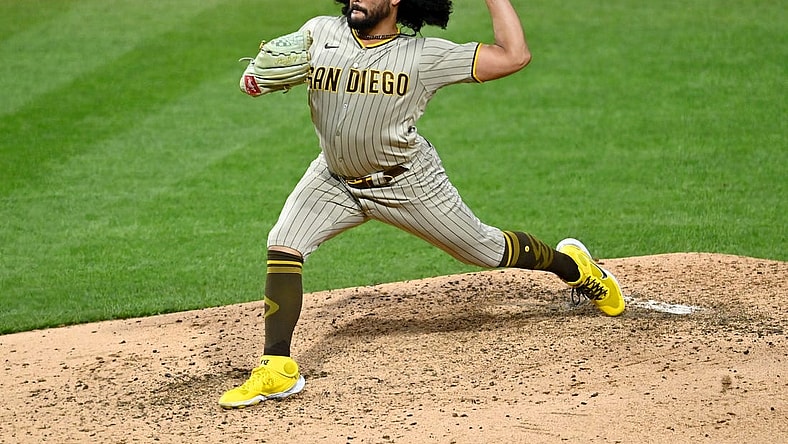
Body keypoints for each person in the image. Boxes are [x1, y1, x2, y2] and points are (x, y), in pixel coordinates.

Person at [218, 0, 625, 409]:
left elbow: (514, 56)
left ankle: (575, 268)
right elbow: (261, 74)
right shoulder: (320, 31)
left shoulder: (424, 56)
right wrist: (254, 79)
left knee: (485, 250)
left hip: (407, 183)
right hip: (334, 178)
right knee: (284, 243)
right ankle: (277, 367)